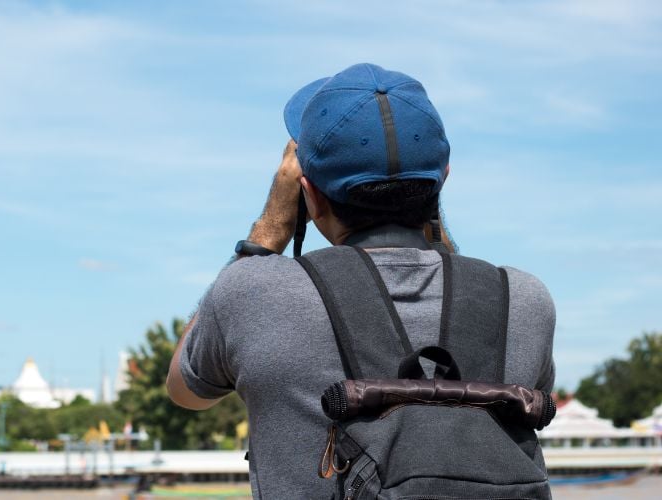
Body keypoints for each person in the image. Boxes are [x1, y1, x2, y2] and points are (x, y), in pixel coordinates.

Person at [165, 63, 556, 499]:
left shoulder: (253, 292)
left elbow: (186, 391)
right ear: (442, 180)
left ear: (307, 192)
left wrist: (267, 235)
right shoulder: (523, 300)